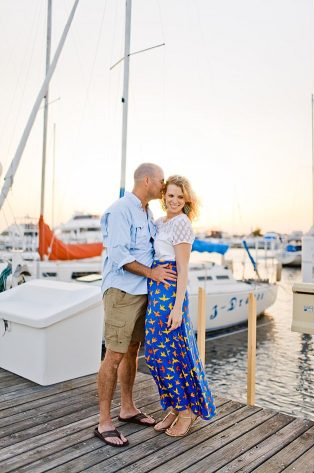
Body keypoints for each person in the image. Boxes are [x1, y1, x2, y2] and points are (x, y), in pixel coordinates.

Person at [95, 163, 176, 447]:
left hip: (142, 292)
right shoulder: (120, 210)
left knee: (132, 351)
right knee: (114, 354)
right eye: (160, 180)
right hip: (122, 291)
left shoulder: (147, 211)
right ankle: (104, 422)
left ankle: (127, 408)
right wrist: (152, 273)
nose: (163, 185)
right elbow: (119, 255)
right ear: (146, 180)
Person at [146, 175, 217, 436]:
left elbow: (183, 270)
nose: (174, 200)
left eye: (179, 196)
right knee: (154, 354)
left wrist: (177, 308)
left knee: (170, 353)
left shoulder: (182, 224)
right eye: (170, 195)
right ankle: (175, 407)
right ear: (163, 196)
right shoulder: (159, 222)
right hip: (155, 290)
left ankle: (186, 412)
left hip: (170, 294)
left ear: (186, 199)